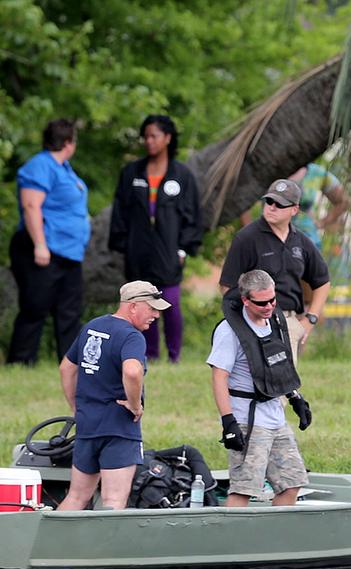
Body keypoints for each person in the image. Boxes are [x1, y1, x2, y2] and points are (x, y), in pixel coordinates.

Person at [56, 282, 171, 510]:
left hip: (88, 424)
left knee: (77, 497)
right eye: (151, 308)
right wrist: (135, 405)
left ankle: (48, 544)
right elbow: (132, 371)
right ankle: (105, 547)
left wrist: (75, 407)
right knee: (114, 500)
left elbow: (66, 368)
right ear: (133, 306)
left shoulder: (93, 326)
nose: (156, 315)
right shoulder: (132, 336)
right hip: (119, 428)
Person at [207, 269, 313, 507]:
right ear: (245, 300)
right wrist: (228, 422)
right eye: (261, 302)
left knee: (291, 482)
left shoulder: (275, 320)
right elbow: (219, 377)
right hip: (248, 421)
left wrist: (295, 397)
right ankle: (233, 541)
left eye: (273, 300)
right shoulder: (229, 331)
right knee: (243, 489)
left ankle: (277, 537)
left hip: (275, 417)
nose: (269, 306)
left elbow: (277, 365)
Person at [108, 115, 204, 363]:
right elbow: (120, 212)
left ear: (167, 138)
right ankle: (147, 355)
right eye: (146, 136)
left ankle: (174, 357)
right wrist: (122, 246)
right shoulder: (131, 173)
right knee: (141, 305)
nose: (149, 141)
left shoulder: (182, 175)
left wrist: (183, 250)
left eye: (154, 136)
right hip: (138, 251)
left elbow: (193, 216)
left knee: (169, 304)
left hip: (168, 252)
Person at [7, 119, 90, 366]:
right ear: (68, 142)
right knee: (35, 307)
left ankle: (71, 365)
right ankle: (21, 363)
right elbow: (31, 205)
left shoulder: (64, 168)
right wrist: (40, 245)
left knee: (69, 312)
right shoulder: (40, 165)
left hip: (70, 253)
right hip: (44, 249)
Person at [219, 179, 330, 361]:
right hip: (256, 324)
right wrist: (245, 321)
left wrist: (310, 320)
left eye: (280, 204)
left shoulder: (301, 241)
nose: (272, 207)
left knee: (286, 387)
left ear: (294, 209)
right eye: (269, 202)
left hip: (290, 323)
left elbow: (323, 281)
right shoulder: (246, 238)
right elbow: (226, 285)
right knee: (255, 387)